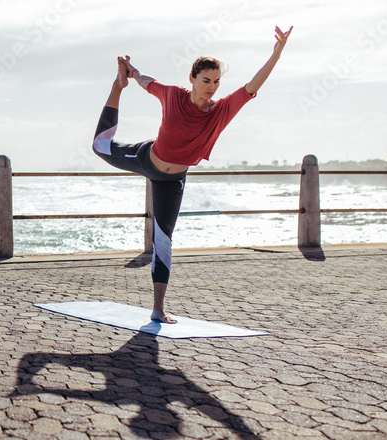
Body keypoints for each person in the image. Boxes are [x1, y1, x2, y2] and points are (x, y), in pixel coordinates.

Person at [92, 26, 293, 323]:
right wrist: (131, 75)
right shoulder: (173, 96)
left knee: (163, 239)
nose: (211, 87)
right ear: (192, 79)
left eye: (216, 81)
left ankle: (158, 309)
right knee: (100, 145)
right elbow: (150, 83)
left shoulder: (222, 111)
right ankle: (115, 87)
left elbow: (252, 86)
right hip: (148, 159)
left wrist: (276, 54)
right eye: (206, 80)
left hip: (173, 180)